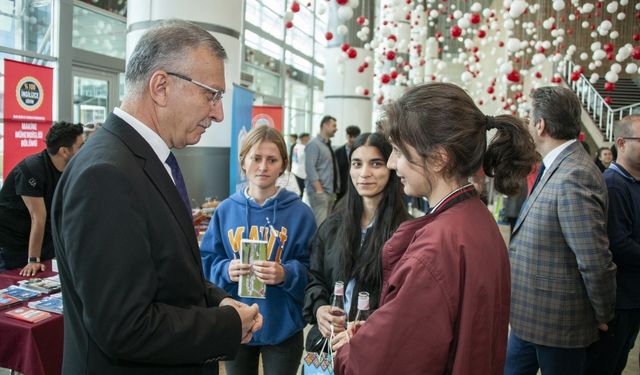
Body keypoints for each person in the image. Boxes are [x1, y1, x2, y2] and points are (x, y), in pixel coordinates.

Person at [50, 20, 262, 374]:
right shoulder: (106, 175)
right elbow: (125, 326)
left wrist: (219, 299)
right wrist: (226, 325)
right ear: (161, 86)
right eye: (212, 94)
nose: (218, 112)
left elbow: (167, 276)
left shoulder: (141, 158)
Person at [334, 82, 536, 374]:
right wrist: (377, 331)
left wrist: (348, 350)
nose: (392, 164)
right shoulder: (473, 217)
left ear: (440, 158)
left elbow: (383, 364)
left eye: (400, 152)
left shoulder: (436, 246)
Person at [505, 86, 616, 375]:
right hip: (531, 315)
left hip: (558, 323)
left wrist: (603, 313)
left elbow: (593, 258)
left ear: (540, 125)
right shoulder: (557, 165)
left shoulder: (574, 173)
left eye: (530, 118)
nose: (529, 124)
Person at [200, 125, 316, 375]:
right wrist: (225, 269)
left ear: (283, 165)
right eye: (256, 158)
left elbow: (314, 271)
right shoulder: (225, 210)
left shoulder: (300, 214)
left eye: (272, 160)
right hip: (235, 323)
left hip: (282, 327)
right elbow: (205, 261)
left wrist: (285, 274)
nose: (263, 167)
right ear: (243, 161)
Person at [303, 132, 409, 353]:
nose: (364, 173)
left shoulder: (407, 233)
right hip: (327, 344)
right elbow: (316, 277)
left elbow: (405, 303)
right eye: (357, 164)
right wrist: (319, 307)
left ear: (391, 167)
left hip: (374, 349)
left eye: (376, 164)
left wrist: (365, 327)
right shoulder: (333, 226)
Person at [585, 115, 640, 375]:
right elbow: (619, 244)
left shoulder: (634, 182)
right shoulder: (615, 184)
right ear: (622, 142)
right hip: (619, 299)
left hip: (633, 295)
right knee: (606, 364)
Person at [0, 121, 83, 275]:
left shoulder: (69, 170)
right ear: (64, 151)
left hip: (42, 242)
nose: (85, 150)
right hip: (12, 244)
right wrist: (33, 260)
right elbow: (37, 217)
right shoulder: (32, 169)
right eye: (81, 147)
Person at [305, 115, 339, 224]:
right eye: (334, 126)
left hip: (329, 192)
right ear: (325, 125)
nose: (336, 129)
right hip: (320, 193)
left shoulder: (327, 145)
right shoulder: (314, 144)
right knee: (320, 227)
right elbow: (310, 168)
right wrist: (319, 190)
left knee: (325, 227)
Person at [335, 125, 362, 202]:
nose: (352, 139)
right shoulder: (338, 152)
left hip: (357, 187)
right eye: (350, 136)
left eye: (355, 136)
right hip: (342, 189)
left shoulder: (361, 151)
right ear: (346, 136)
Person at [291, 132, 310, 198]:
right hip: (301, 173)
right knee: (300, 192)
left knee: (298, 192)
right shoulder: (304, 148)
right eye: (308, 139)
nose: (309, 140)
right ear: (304, 139)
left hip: (295, 171)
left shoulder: (296, 146)